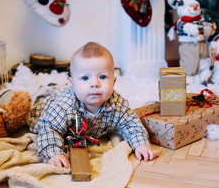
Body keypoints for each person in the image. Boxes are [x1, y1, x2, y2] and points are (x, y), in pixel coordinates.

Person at [28, 42, 159, 168]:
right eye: (85, 78)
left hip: (83, 129)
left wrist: (141, 144)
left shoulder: (117, 103)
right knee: (26, 106)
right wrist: (54, 154)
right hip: (46, 109)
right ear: (72, 84)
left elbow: (130, 123)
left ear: (113, 82)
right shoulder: (64, 105)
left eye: (102, 77)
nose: (95, 84)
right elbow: (49, 127)